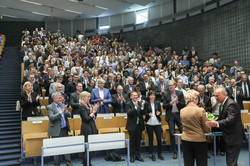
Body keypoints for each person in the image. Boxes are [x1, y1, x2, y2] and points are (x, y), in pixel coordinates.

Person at [206, 87, 245, 166]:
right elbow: (222, 119)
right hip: (229, 138)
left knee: (231, 163)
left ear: (224, 94)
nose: (215, 98)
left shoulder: (231, 104)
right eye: (214, 96)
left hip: (234, 138)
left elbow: (230, 120)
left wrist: (216, 123)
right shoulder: (224, 104)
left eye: (217, 96)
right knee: (231, 162)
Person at [180, 90, 210, 166]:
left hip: (186, 139)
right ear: (196, 99)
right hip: (199, 140)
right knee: (201, 163)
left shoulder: (182, 111)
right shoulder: (200, 110)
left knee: (188, 163)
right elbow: (206, 128)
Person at [47, 92, 72, 166]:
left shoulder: (62, 105)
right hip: (56, 130)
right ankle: (56, 163)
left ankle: (69, 163)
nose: (61, 99)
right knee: (56, 148)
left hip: (64, 129)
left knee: (66, 147)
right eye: (59, 98)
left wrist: (66, 111)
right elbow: (52, 118)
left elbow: (69, 115)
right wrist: (61, 112)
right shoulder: (50, 107)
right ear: (54, 99)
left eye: (61, 98)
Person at [163, 80, 185, 159]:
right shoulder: (166, 94)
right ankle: (174, 151)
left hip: (178, 115)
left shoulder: (179, 93)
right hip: (171, 116)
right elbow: (164, 106)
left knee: (183, 131)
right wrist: (171, 102)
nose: (171, 87)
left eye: (172, 85)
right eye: (169, 86)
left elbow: (184, 104)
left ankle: (185, 150)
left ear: (174, 85)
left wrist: (177, 102)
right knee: (172, 133)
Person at [79, 91, 100, 166]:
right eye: (88, 97)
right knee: (86, 147)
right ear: (83, 98)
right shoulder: (82, 106)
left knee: (91, 147)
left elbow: (94, 117)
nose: (89, 98)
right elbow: (86, 118)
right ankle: (85, 164)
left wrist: (95, 110)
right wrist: (93, 112)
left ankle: (89, 163)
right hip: (86, 128)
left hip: (92, 126)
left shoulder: (89, 105)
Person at [144, 90, 164, 161]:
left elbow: (160, 112)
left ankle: (159, 154)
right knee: (151, 139)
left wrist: (159, 113)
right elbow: (145, 112)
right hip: (149, 123)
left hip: (157, 122)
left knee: (159, 139)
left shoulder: (158, 103)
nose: (153, 96)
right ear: (149, 96)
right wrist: (148, 114)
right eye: (151, 95)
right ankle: (152, 154)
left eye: (154, 95)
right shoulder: (146, 103)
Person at [126, 91, 145, 163]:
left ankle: (138, 155)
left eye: (137, 95)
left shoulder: (140, 103)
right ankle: (132, 156)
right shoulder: (128, 103)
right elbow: (129, 113)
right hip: (132, 126)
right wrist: (136, 107)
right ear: (131, 96)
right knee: (132, 141)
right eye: (134, 95)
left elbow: (142, 113)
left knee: (138, 141)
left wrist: (142, 106)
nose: (136, 97)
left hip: (139, 125)